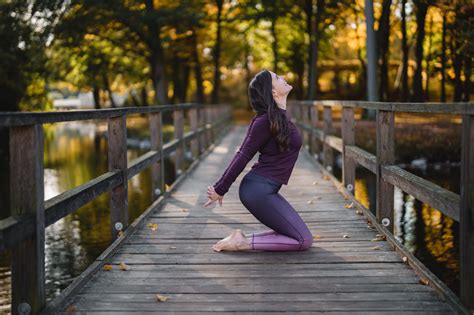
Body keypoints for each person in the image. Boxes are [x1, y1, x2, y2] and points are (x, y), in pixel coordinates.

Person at [203, 69, 313, 252]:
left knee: (297, 236)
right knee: (304, 241)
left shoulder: (279, 117)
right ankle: (243, 244)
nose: (283, 77)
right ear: (273, 92)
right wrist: (220, 188)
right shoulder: (264, 121)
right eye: (277, 78)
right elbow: (243, 154)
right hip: (257, 190)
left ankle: (241, 239)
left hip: (266, 189)